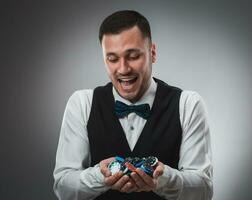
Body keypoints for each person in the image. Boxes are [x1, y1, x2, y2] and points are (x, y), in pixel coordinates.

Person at [53, 10, 213, 200]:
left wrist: (162, 180)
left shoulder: (188, 104)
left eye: (133, 56)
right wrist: (99, 176)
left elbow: (203, 190)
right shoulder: (81, 103)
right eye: (112, 59)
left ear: (152, 53)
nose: (123, 69)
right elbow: (63, 188)